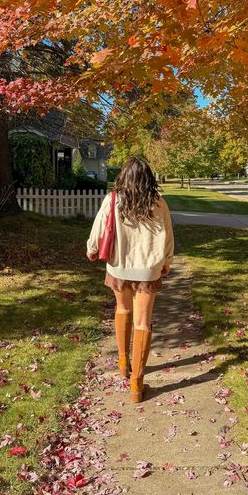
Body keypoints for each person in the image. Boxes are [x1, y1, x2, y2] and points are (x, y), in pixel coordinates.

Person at [86, 157, 174, 402]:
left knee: (122, 309)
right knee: (143, 323)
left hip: (119, 267)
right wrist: (167, 260)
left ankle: (123, 364)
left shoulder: (112, 200)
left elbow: (99, 229)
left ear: (123, 177)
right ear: (148, 178)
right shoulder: (158, 203)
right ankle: (136, 385)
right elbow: (168, 234)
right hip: (147, 270)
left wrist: (92, 248)